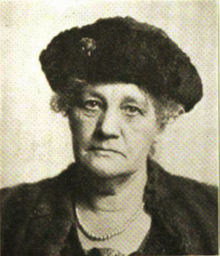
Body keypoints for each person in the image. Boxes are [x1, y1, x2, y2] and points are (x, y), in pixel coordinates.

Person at [1, 16, 218, 256]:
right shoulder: (8, 213)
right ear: (69, 111)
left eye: (131, 109)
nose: (107, 129)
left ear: (160, 124)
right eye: (92, 104)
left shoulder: (211, 214)